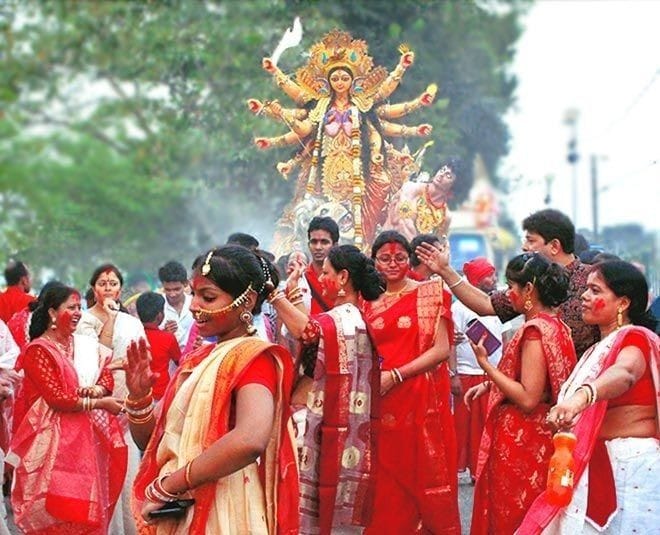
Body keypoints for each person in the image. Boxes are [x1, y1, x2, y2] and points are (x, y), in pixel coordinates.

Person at [126, 245, 298, 533]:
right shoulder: (197, 359)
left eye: (208, 297)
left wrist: (171, 485)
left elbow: (250, 439)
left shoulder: (253, 359)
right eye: (194, 294)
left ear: (247, 300)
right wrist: (139, 397)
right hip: (181, 502)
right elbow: (151, 441)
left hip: (227, 506)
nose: (194, 305)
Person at [250, 29, 436, 254]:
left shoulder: (362, 106)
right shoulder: (321, 107)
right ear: (328, 81)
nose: (340, 82)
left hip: (360, 172)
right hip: (323, 173)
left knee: (378, 193)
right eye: (335, 78)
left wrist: (405, 77)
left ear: (352, 81)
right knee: (309, 214)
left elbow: (385, 108)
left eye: (345, 78)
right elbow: (303, 127)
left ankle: (365, 249)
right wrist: (279, 105)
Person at [520, 260, 660, 535]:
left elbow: (626, 373)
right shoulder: (593, 351)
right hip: (593, 463)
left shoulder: (635, 339)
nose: (584, 296)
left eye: (596, 291)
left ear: (622, 303)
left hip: (629, 468)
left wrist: (582, 396)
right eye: (585, 289)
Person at [270, 244, 384, 533]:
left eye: (326, 273)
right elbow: (309, 330)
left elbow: (305, 331)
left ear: (343, 277)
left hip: (330, 425)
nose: (320, 279)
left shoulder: (344, 318)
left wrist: (273, 294)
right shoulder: (351, 316)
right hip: (348, 427)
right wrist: (293, 292)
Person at [461, 253, 576, 534]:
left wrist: (486, 366)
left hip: (524, 441)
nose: (507, 293)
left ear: (529, 290)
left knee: (513, 517)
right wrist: (490, 384)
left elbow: (527, 398)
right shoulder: (557, 326)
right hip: (541, 436)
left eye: (512, 286)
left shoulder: (534, 331)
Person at [362, 230, 460, 534]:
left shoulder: (431, 292)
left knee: (423, 473)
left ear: (410, 259)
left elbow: (441, 350)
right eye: (385, 258)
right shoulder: (366, 301)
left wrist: (398, 374)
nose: (392, 264)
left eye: (400, 258)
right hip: (380, 398)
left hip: (420, 398)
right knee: (385, 478)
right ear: (374, 261)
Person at [8, 285, 126, 534]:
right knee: (62, 506)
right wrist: (101, 403)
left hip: (92, 438)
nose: (78, 313)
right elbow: (57, 399)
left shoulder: (85, 344)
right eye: (71, 308)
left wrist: (97, 390)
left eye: (79, 308)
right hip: (55, 442)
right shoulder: (38, 350)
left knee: (91, 504)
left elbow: (106, 376)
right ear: (52, 312)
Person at [417, 208, 600, 357]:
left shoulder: (594, 279)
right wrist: (445, 271)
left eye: (531, 240)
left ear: (554, 246)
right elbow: (486, 305)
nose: (524, 247)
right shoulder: (530, 281)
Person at [76, 263, 145, 535]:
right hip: (93, 409)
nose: (107, 288)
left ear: (120, 288)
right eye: (102, 283)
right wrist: (108, 320)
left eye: (113, 283)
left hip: (124, 408)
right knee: (98, 477)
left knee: (125, 475)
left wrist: (136, 400)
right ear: (93, 287)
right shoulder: (81, 322)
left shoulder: (132, 322)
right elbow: (88, 362)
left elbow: (141, 358)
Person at [451, 257, 503, 482]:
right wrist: (453, 374)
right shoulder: (458, 308)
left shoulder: (501, 305)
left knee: (487, 426)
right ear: (477, 279)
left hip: (492, 376)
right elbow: (450, 342)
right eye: (488, 275)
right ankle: (462, 469)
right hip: (466, 374)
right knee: (465, 428)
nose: (493, 279)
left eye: (493, 274)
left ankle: (481, 470)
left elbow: (507, 336)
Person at [383, 157, 464, 241]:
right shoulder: (411, 189)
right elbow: (402, 222)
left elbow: (439, 244)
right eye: (443, 169)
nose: (442, 174)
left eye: (448, 175)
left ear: (454, 186)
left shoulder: (445, 217)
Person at [136, 292, 181, 401]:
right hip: (161, 394)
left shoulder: (133, 335)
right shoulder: (168, 338)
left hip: (137, 392)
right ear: (160, 315)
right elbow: (179, 361)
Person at [158, 260, 193, 353]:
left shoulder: (194, 304)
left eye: (177, 289)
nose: (172, 294)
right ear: (162, 285)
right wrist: (164, 334)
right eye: (167, 290)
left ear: (185, 284)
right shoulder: (157, 305)